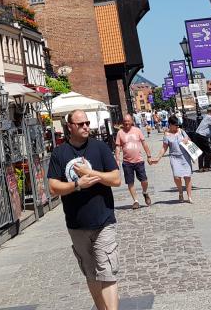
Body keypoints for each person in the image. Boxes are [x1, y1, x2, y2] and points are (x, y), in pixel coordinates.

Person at [48, 108, 122, 310]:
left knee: (107, 271)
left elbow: (116, 179)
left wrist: (92, 173)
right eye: (80, 124)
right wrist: (78, 184)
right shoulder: (60, 153)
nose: (86, 127)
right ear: (69, 127)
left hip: (103, 220)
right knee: (91, 273)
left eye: (87, 123)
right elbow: (53, 187)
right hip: (76, 224)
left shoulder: (99, 148)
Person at [153, 115, 195, 203]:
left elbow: (190, 140)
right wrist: (158, 158)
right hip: (174, 158)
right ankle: (180, 191)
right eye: (175, 125)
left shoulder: (181, 131)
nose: (177, 126)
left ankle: (189, 196)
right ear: (170, 125)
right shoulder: (167, 135)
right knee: (177, 177)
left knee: (187, 177)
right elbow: (164, 148)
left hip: (185, 156)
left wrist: (187, 139)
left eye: (178, 125)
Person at [115, 114, 154, 209]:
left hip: (139, 160)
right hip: (127, 162)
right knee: (130, 182)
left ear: (131, 121)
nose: (126, 123)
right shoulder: (120, 133)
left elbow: (144, 144)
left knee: (144, 180)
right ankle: (135, 201)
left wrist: (149, 156)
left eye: (128, 121)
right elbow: (117, 147)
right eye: (125, 121)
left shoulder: (137, 130)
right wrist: (117, 159)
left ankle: (145, 192)